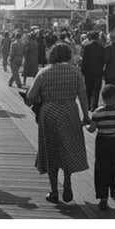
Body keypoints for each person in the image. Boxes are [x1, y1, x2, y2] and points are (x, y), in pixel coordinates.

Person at [26, 43, 91, 204]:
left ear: (51, 55)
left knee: (51, 150)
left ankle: (54, 191)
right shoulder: (75, 72)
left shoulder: (43, 72)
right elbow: (82, 96)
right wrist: (86, 115)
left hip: (49, 114)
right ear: (68, 56)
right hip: (70, 111)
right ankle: (68, 179)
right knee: (68, 147)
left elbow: (30, 96)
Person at [86, 84, 115, 211]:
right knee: (113, 164)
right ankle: (113, 187)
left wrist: (86, 126)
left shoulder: (97, 112)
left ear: (102, 98)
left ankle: (103, 197)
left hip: (102, 141)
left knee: (101, 168)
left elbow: (92, 129)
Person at [81, 31, 105, 111]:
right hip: (98, 71)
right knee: (96, 89)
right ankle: (94, 106)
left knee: (88, 89)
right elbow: (103, 60)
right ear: (98, 38)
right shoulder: (101, 48)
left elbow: (84, 60)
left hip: (88, 71)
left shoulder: (87, 47)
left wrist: (83, 71)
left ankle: (88, 105)